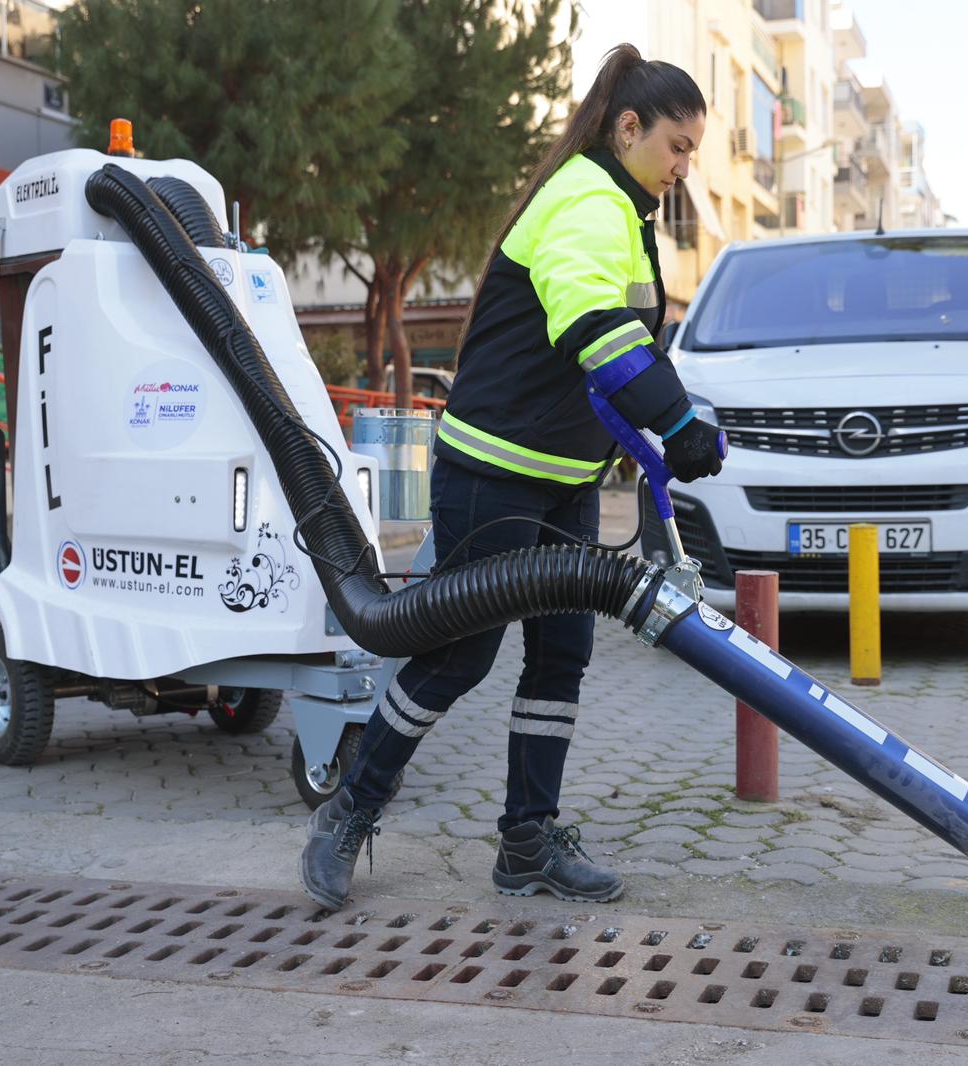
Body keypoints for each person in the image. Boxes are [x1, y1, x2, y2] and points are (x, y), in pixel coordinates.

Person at [299, 44, 724, 910]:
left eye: (692, 153)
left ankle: (528, 842)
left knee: (561, 657)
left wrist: (669, 416)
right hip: (494, 473)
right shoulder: (585, 199)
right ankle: (350, 809)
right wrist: (675, 424)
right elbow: (594, 329)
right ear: (629, 127)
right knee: (457, 652)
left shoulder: (625, 211)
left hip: (564, 478)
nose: (685, 168)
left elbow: (625, 343)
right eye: (678, 146)